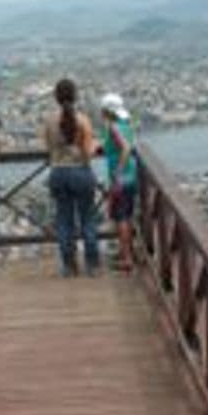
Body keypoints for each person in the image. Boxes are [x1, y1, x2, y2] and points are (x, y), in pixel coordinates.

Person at [42, 78, 99, 277]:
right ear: (75, 96)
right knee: (87, 219)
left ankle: (68, 265)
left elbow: (48, 148)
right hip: (80, 172)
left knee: (64, 220)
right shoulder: (83, 120)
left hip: (58, 172)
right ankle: (92, 265)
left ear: (56, 97)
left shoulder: (49, 120)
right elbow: (88, 152)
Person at [99, 93, 138, 271]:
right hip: (131, 176)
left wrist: (116, 173)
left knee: (120, 217)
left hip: (120, 179)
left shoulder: (114, 128)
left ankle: (127, 258)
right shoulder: (126, 125)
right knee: (127, 217)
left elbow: (125, 148)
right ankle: (126, 251)